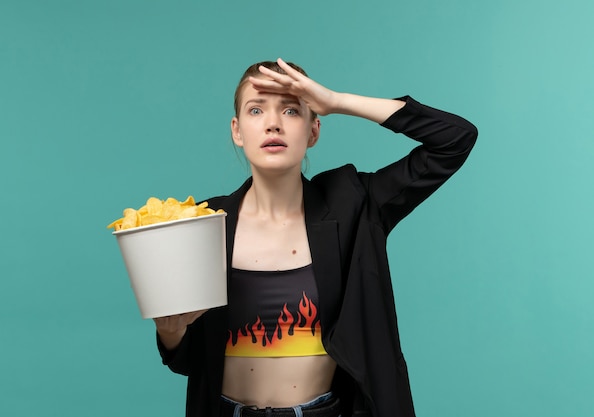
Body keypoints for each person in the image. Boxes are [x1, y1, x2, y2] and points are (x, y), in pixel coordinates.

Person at [153, 58, 477, 417]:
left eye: (291, 111)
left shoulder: (353, 204)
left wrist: (337, 101)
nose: (273, 123)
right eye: (256, 110)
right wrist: (171, 332)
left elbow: (454, 139)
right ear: (237, 130)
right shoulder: (205, 222)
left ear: (313, 131)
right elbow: (190, 361)